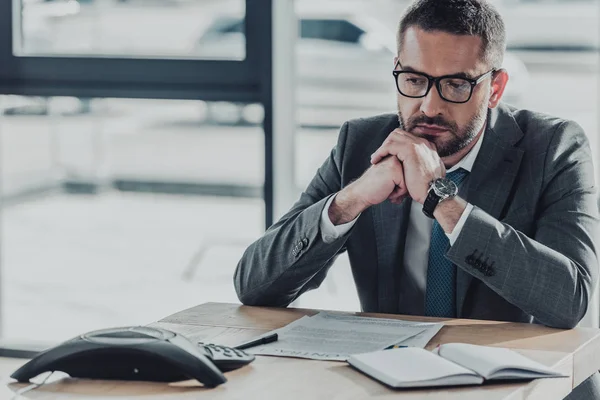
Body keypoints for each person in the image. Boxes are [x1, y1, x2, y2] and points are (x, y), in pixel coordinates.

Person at [234, 0, 600, 397]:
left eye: (456, 85)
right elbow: (255, 286)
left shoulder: (554, 148)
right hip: (397, 384)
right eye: (413, 80)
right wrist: (350, 200)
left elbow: (569, 299)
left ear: (494, 88)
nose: (429, 105)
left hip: (524, 389)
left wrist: (441, 201)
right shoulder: (361, 144)